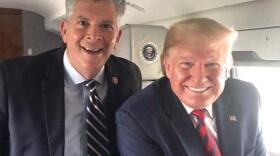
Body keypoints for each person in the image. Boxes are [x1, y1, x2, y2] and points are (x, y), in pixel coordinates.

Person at [0, 0, 142, 155]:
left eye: (106, 26)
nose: (94, 36)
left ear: (118, 37)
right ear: (64, 30)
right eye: (83, 23)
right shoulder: (12, 78)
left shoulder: (129, 75)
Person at [116, 18, 267, 156]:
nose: (200, 78)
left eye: (212, 64)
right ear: (167, 66)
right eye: (186, 64)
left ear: (228, 67)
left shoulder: (247, 97)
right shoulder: (137, 117)